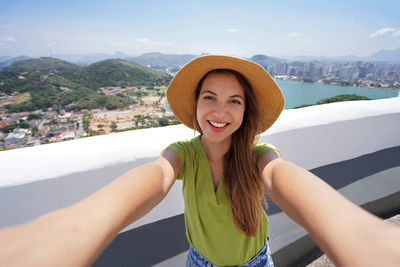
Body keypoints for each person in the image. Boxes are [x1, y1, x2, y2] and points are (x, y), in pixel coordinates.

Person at [0, 55, 399, 267]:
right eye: (210, 97)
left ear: (246, 112)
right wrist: (68, 229)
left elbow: (285, 179)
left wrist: (360, 234)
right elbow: (154, 178)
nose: (220, 111)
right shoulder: (185, 154)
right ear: (195, 105)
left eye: (234, 101)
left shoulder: (260, 156)